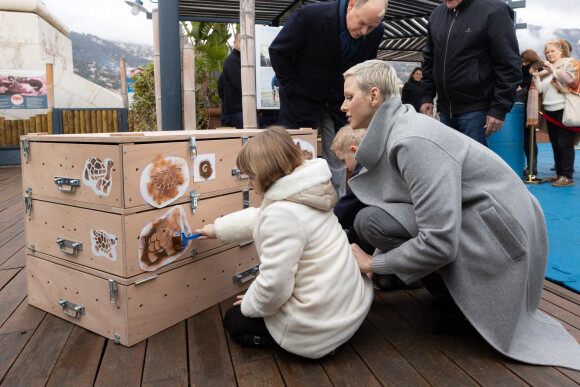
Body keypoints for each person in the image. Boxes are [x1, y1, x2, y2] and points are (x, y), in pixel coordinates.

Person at [341, 59, 580, 370]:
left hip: (502, 238)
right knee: (370, 219)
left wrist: (374, 263)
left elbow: (439, 240)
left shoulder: (412, 140)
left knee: (372, 221)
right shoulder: (401, 127)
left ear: (374, 96)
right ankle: (447, 292)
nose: (343, 106)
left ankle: (462, 304)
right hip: (486, 220)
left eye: (348, 97)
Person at [193, 127, 373, 359]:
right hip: (343, 301)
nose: (250, 182)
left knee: (234, 319)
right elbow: (262, 216)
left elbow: (275, 287)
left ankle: (317, 344)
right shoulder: (306, 190)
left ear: (264, 173)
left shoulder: (282, 214)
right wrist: (216, 229)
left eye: (251, 176)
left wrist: (250, 302)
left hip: (322, 322)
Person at [269, 0, 387, 198]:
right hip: (301, 101)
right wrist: (292, 88)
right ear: (351, 5)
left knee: (340, 159)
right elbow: (278, 51)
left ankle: (336, 214)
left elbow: (365, 70)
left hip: (339, 104)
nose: (365, 31)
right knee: (296, 159)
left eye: (371, 27)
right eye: (361, 23)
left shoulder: (377, 31)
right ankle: (294, 207)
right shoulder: (310, 15)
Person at [420, 0, 522, 147]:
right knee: (449, 165)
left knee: (474, 168)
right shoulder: (437, 14)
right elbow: (429, 58)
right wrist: (427, 96)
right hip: (445, 110)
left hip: (477, 110)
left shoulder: (494, 10)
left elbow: (509, 64)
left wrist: (499, 108)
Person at [527, 39, 579, 187]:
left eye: (552, 51)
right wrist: (536, 76)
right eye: (547, 52)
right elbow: (541, 90)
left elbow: (571, 81)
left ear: (561, 51)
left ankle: (567, 176)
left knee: (565, 143)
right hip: (549, 110)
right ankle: (559, 173)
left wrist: (553, 70)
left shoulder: (571, 63)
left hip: (564, 109)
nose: (549, 54)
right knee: (555, 143)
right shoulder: (548, 69)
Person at [518, 49, 543, 176]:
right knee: (527, 140)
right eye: (522, 61)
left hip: (529, 108)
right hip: (524, 109)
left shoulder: (537, 67)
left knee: (529, 140)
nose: (523, 64)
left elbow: (540, 64)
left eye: (526, 62)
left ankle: (532, 167)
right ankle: (531, 167)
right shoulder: (522, 70)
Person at [222, 33, 243, 129]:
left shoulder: (244, 59)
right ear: (235, 43)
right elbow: (240, 85)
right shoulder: (233, 60)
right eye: (241, 41)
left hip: (241, 111)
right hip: (236, 112)